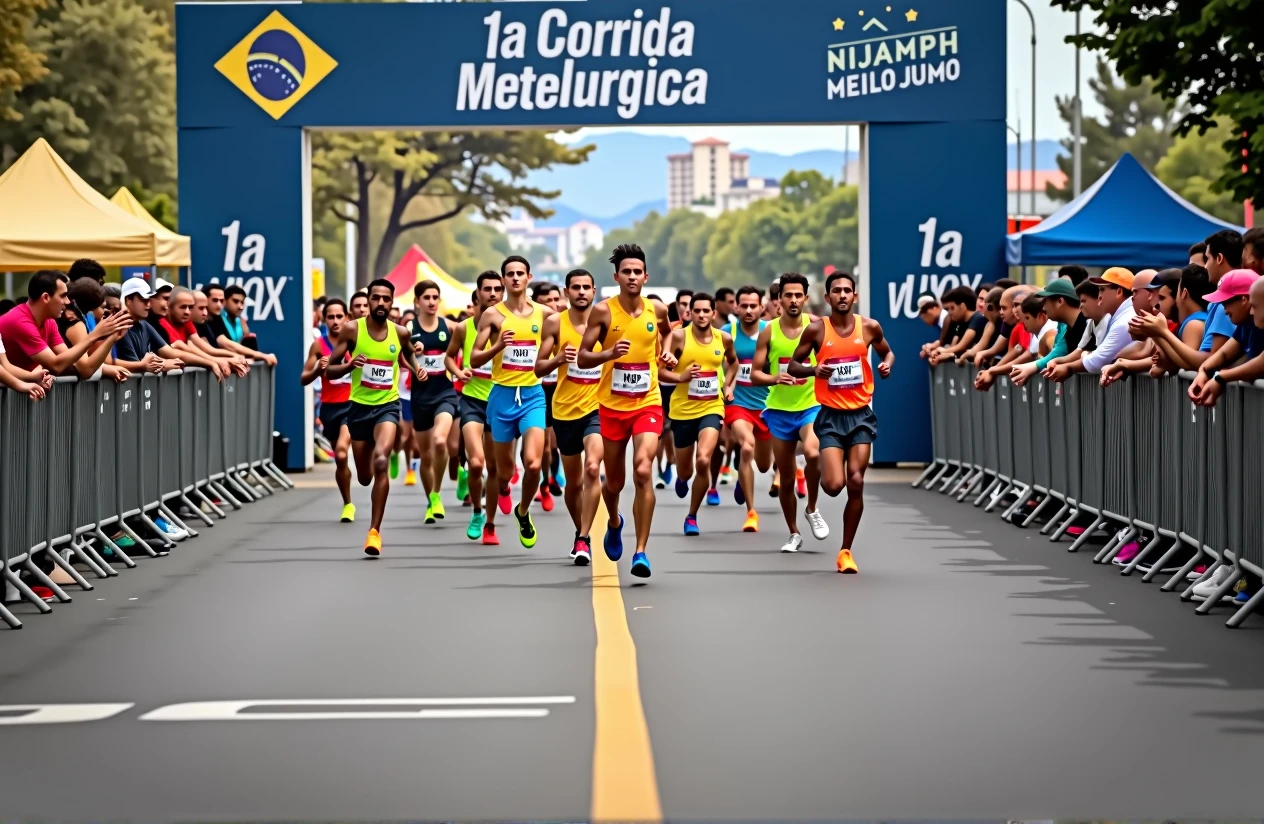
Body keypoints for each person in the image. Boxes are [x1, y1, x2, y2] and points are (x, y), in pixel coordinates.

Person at [577, 244, 677, 578]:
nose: (632, 277)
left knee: (644, 469)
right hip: (611, 406)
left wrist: (668, 356)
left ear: (646, 276)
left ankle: (641, 551)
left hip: (647, 402)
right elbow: (582, 358)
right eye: (626, 271)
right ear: (616, 276)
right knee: (615, 482)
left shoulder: (657, 310)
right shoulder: (603, 312)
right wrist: (608, 355)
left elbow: (667, 339)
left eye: (638, 271)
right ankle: (615, 520)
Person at [787, 271, 894, 574]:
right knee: (834, 486)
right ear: (828, 297)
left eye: (848, 290)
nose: (843, 295)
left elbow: (887, 352)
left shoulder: (870, 327)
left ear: (854, 296)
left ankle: (845, 551)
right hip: (831, 417)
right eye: (837, 291)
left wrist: (886, 365)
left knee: (856, 481)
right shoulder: (817, 331)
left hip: (860, 415)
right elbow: (794, 365)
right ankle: (815, 472)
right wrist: (813, 370)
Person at [325, 279, 426, 556]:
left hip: (387, 407)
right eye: (376, 298)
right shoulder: (352, 330)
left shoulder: (401, 333)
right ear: (368, 301)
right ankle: (369, 478)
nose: (381, 303)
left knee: (381, 459)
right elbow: (330, 370)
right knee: (366, 477)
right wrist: (349, 364)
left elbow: (408, 354)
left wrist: (417, 368)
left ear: (392, 303)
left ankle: (374, 532)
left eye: (386, 299)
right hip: (358, 408)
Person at [469, 256, 553, 548]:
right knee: (502, 473)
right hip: (501, 396)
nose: (515, 278)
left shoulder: (545, 314)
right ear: (503, 280)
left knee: (532, 464)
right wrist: (499, 345)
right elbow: (474, 358)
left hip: (532, 395)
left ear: (529, 276)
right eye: (510, 274)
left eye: (520, 273)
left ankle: (523, 510)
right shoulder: (492, 315)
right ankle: (503, 491)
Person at [750, 273, 830, 553]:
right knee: (785, 477)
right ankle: (793, 533)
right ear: (779, 299)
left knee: (812, 453)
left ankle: (812, 508)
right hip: (779, 410)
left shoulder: (817, 326)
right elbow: (755, 373)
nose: (794, 300)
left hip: (811, 405)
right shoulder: (769, 330)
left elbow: (832, 360)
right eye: (788, 295)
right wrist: (775, 378)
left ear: (806, 298)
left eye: (799, 295)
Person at [536, 269, 604, 564]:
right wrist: (558, 359)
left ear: (594, 290)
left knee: (592, 468)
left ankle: (584, 537)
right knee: (574, 483)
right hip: (564, 410)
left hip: (598, 408)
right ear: (566, 292)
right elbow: (538, 368)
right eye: (575, 287)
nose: (581, 292)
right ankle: (581, 531)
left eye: (586, 287)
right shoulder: (555, 323)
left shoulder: (607, 322)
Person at [661, 292, 738, 536]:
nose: (702, 315)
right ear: (689, 313)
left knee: (704, 459)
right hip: (682, 410)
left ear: (714, 314)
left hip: (711, 407)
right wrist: (681, 377)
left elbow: (734, 363)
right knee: (685, 471)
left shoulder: (724, 339)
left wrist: (728, 386)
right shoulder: (678, 337)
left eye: (707, 311)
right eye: (697, 311)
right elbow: (660, 371)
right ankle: (682, 478)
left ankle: (692, 515)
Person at [445, 272, 504, 545]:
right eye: (487, 289)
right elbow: (449, 358)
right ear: (477, 295)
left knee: (498, 469)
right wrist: (459, 372)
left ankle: (491, 521)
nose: (492, 294)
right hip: (472, 401)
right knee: (477, 462)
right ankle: (479, 514)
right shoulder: (463, 328)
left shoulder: (512, 327)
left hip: (502, 401)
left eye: (497, 289)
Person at [0, 270, 131, 378]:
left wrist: (111, 337)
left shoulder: (49, 322)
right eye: (63, 296)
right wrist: (95, 335)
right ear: (45, 297)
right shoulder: (20, 321)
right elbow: (56, 365)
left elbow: (82, 368)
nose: (68, 301)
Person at [408, 279, 461, 524]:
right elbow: (398, 359)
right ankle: (431, 500)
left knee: (441, 441)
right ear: (416, 301)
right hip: (420, 398)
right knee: (425, 455)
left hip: (445, 393)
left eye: (435, 297)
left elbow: (468, 343)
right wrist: (413, 356)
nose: (431, 302)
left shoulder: (449, 327)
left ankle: (437, 493)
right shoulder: (407, 329)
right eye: (426, 297)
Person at [301, 298, 355, 523]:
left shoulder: (356, 342)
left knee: (342, 452)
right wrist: (316, 370)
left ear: (347, 318)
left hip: (352, 405)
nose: (335, 321)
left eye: (339, 316)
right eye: (330, 317)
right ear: (324, 319)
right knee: (340, 460)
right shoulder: (318, 345)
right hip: (330, 409)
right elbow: (303, 378)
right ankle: (348, 502)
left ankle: (350, 502)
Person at [725, 286, 773, 531]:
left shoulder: (771, 331)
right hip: (738, 403)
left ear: (762, 308)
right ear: (736, 308)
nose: (748, 310)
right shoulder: (727, 332)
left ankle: (744, 480)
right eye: (743, 306)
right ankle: (751, 512)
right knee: (746, 447)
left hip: (766, 405)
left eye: (753, 306)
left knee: (764, 465)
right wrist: (726, 386)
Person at [1044, 268, 1137, 381]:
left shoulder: (1124, 321)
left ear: (1118, 292)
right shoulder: (1119, 317)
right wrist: (1061, 361)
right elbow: (1087, 353)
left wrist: (1068, 367)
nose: (1099, 296)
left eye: (1102, 290)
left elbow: (1098, 360)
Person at [1189, 271, 1264, 407]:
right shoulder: (1246, 325)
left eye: (1226, 303)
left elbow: (1261, 364)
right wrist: (1203, 372)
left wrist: (1221, 378)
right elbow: (1223, 354)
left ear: (1244, 300)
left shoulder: (1258, 325)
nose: (1224, 310)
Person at [112, 279, 205, 375]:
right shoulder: (122, 326)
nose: (148, 304)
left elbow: (169, 353)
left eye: (149, 300)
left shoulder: (144, 324)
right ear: (128, 300)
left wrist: (211, 363)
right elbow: (135, 364)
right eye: (144, 300)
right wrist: (162, 364)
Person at [1011, 279, 1086, 387]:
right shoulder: (1067, 326)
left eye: (1045, 301)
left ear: (1060, 301)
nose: (1043, 307)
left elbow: (1092, 355)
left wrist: (1067, 367)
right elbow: (1064, 351)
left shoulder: (1085, 323)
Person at [531, 281, 565, 511]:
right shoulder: (529, 325)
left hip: (557, 389)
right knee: (541, 446)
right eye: (546, 302)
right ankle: (542, 483)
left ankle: (551, 476)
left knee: (552, 445)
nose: (552, 305)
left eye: (555, 300)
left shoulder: (565, 325)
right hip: (533, 389)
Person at [207, 284, 277, 365]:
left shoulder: (241, 322)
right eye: (235, 301)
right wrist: (263, 356)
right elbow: (225, 344)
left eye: (242, 302)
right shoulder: (216, 319)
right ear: (225, 301)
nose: (240, 306)